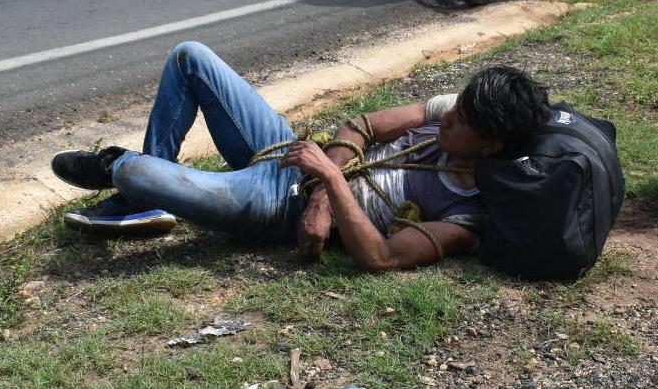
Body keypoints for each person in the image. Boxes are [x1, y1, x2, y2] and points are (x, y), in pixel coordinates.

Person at [51, 41, 550, 271]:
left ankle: (120, 169)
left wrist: (329, 185)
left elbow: (383, 256)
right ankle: (149, 204)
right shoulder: (446, 115)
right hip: (292, 154)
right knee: (191, 57)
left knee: (135, 170)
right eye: (454, 108)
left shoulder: (467, 216)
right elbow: (361, 125)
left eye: (460, 122)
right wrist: (323, 192)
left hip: (277, 206)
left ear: (490, 146)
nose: (445, 119)